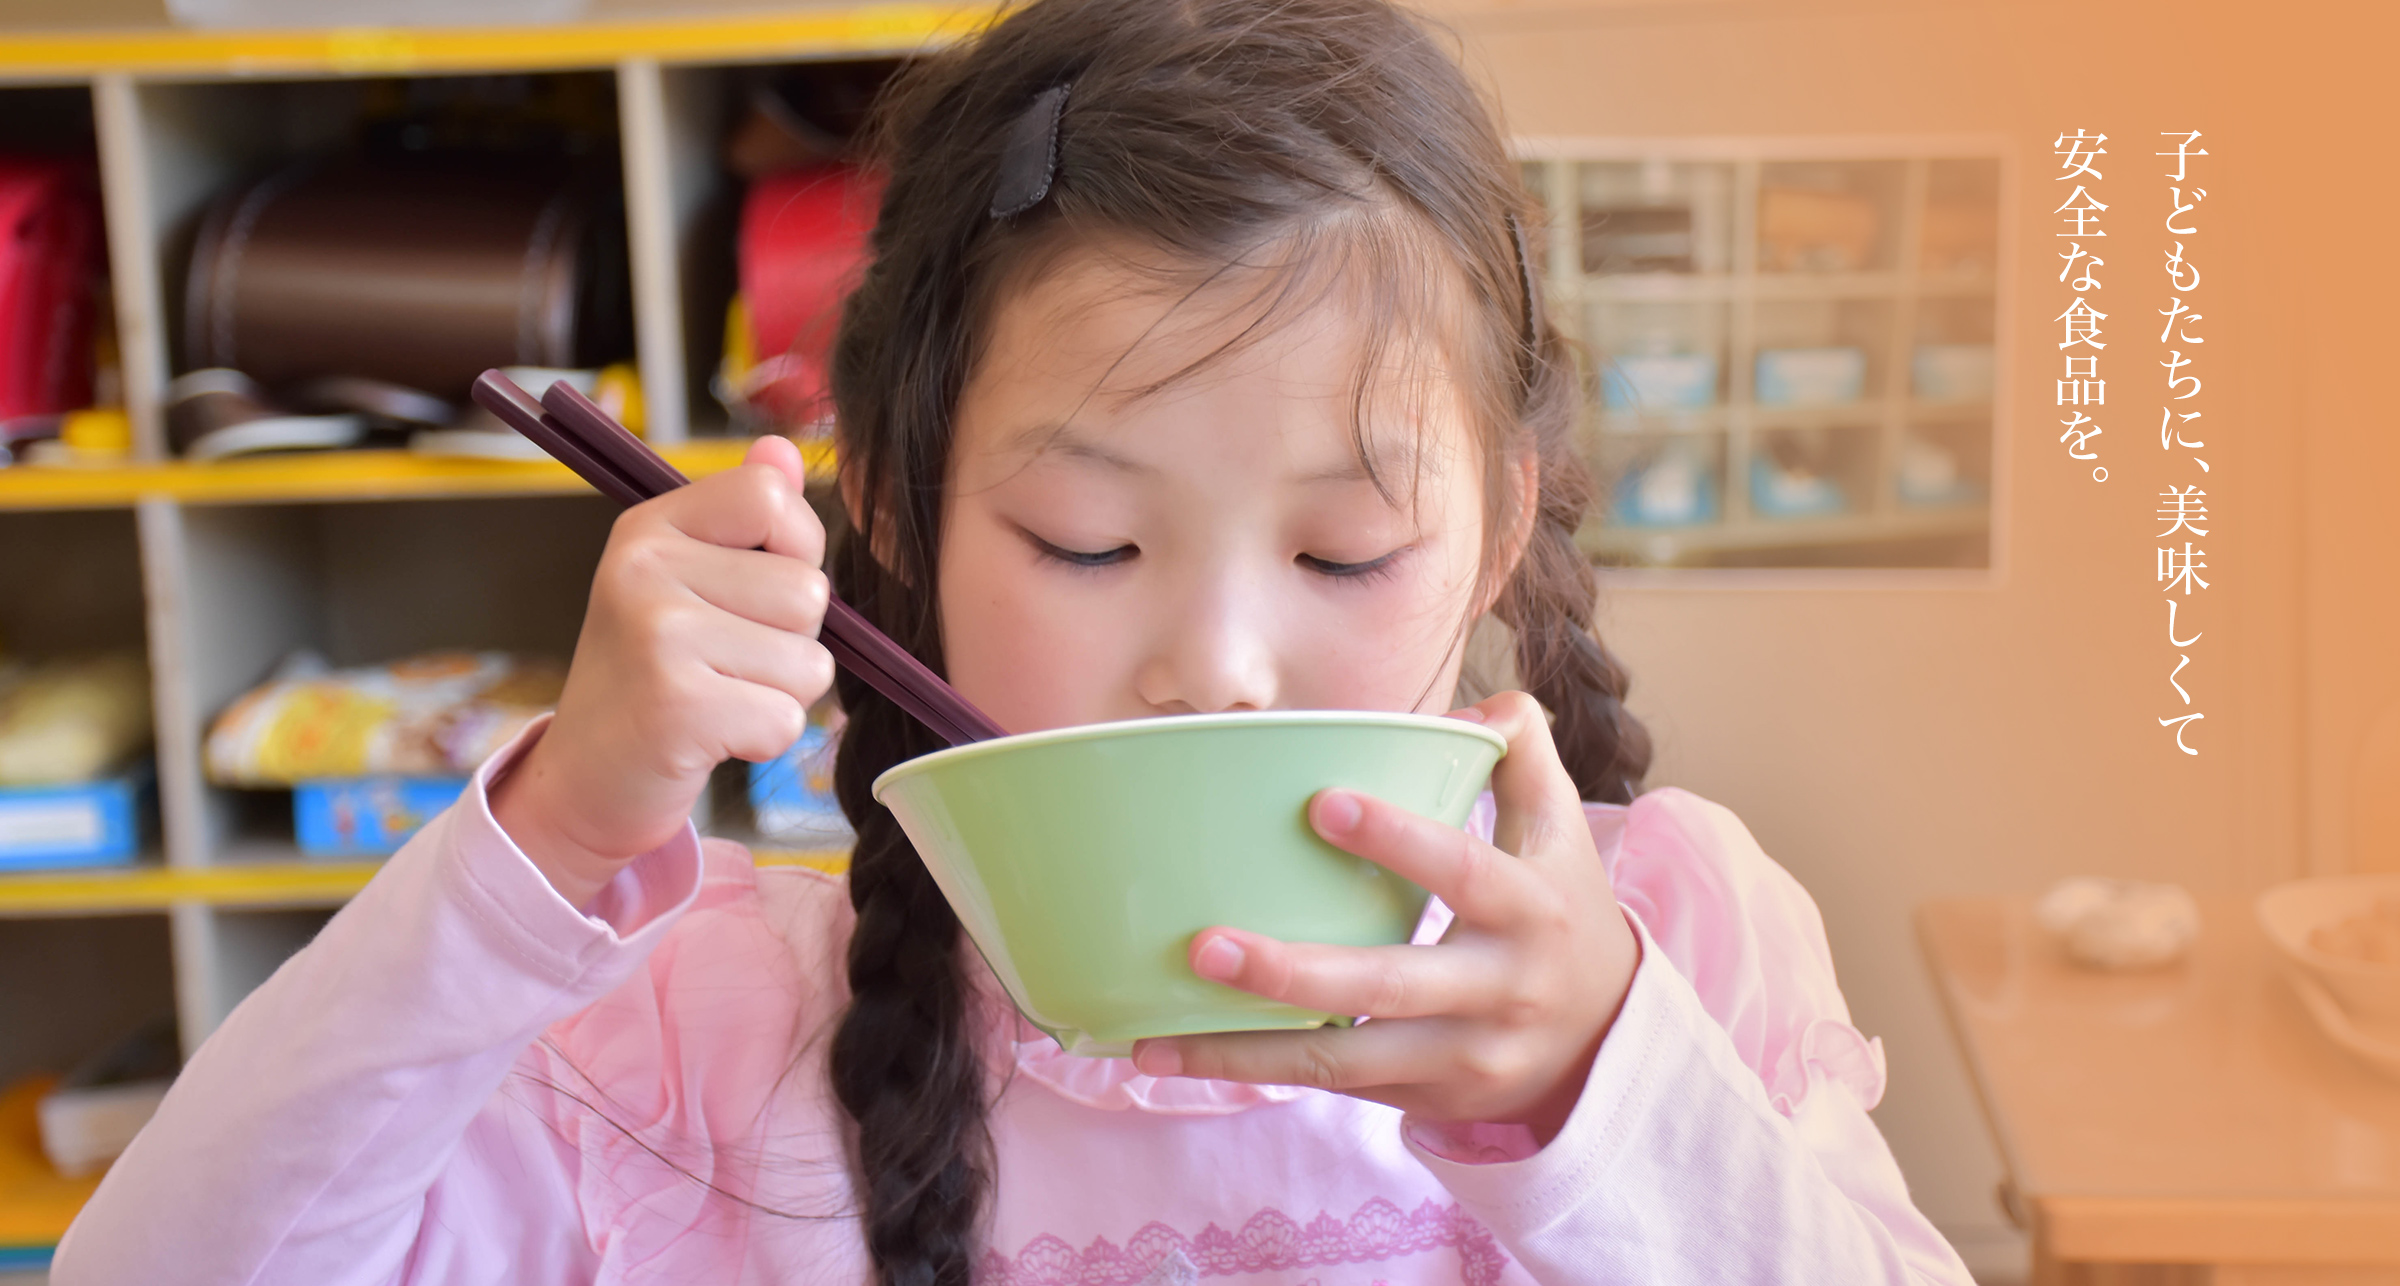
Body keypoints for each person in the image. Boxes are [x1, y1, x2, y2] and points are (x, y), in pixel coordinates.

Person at [55, 1, 1972, 1282]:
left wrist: (1598, 1088)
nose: (1214, 659)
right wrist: (553, 831)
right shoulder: (703, 1036)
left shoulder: (1685, 944)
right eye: (1088, 538)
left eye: (1345, 546)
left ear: (1505, 521)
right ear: (890, 512)